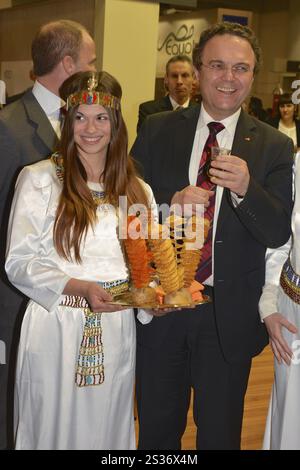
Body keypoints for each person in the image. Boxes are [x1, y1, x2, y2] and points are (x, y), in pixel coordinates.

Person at [131, 21, 294, 450]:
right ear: (199, 71)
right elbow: (126, 205)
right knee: (157, 429)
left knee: (220, 434)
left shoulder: (274, 146)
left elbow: (279, 232)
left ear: (253, 76)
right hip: (163, 309)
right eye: (218, 65)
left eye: (241, 68)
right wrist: (169, 201)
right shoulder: (158, 127)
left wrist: (246, 190)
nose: (229, 77)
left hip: (227, 318)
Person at [5, 70, 154, 450]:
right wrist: (80, 287)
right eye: (80, 117)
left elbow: (145, 266)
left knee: (106, 428)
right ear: (66, 121)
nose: (91, 128)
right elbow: (19, 262)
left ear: (116, 124)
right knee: (50, 424)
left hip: (116, 328)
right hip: (56, 325)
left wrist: (153, 298)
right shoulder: (39, 179)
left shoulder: (138, 189)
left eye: (101, 117)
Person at [0, 19, 96, 450]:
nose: (95, 71)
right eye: (91, 62)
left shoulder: (85, 125)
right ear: (69, 63)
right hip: (17, 303)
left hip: (78, 312)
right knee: (17, 414)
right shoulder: (9, 127)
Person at [259, 158, 300, 450]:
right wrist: (269, 304)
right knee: (291, 410)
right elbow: (280, 241)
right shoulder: (297, 164)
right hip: (292, 317)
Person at [136, 54, 197, 132]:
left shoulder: (201, 113)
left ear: (194, 79)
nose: (179, 81)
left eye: (185, 76)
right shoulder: (149, 111)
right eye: (174, 76)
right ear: (166, 79)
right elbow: (144, 142)